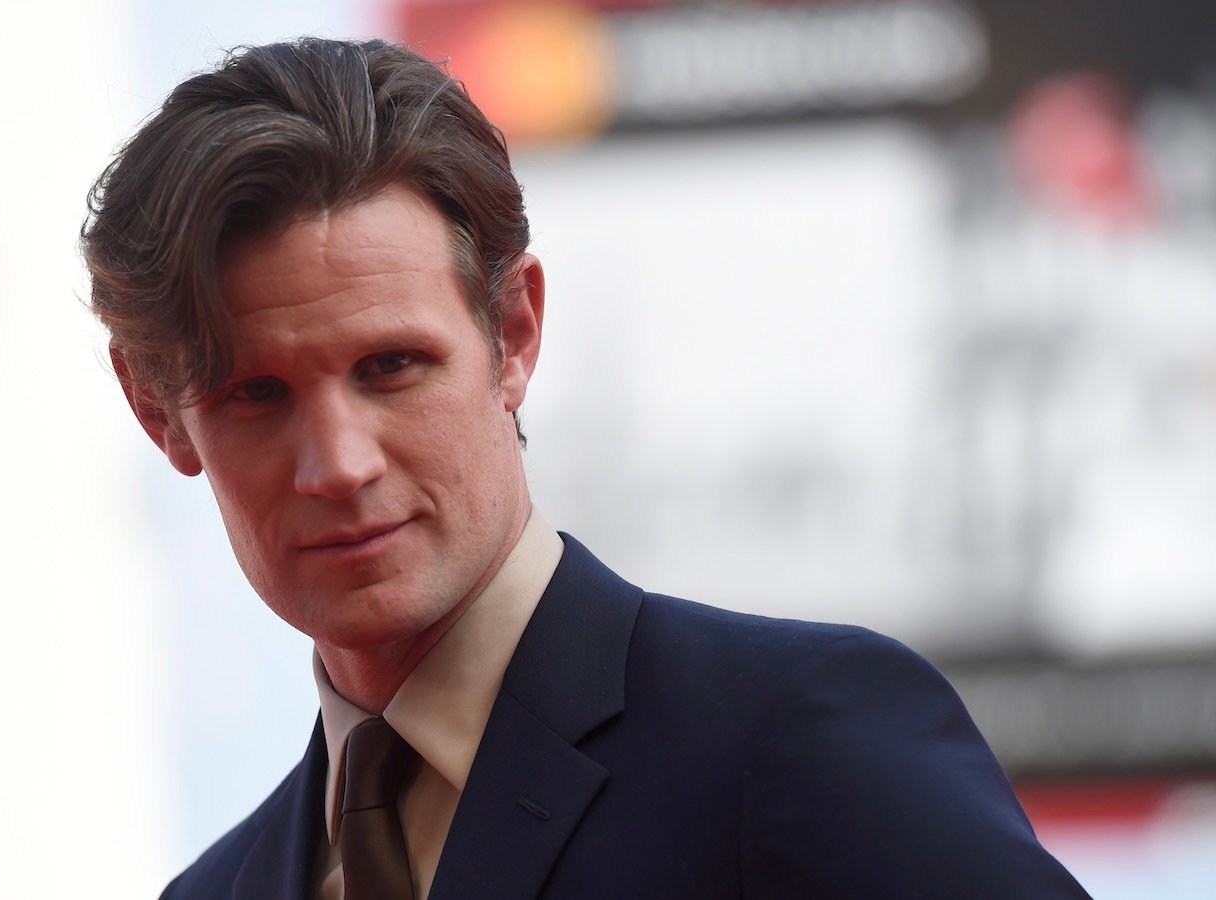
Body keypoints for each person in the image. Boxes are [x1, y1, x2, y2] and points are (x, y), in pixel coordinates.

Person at [81, 37, 1091, 900]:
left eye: (391, 368)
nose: (338, 466)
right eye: (256, 396)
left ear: (512, 334)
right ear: (159, 413)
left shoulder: (795, 741)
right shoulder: (219, 890)